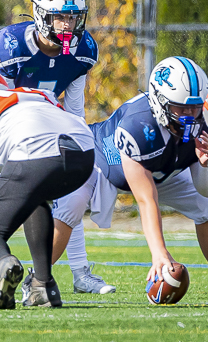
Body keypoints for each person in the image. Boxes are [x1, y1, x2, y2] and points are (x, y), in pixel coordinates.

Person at [0, 0, 112, 295]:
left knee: (76, 188)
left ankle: (81, 273)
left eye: (73, 18)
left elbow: (75, 110)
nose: (68, 25)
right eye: (60, 17)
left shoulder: (82, 51)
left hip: (51, 129)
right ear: (41, 16)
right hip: (5, 129)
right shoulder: (9, 47)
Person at [0, 68, 95, 309]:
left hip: (36, 153)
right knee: (36, 196)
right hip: (84, 154)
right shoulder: (34, 95)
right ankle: (43, 286)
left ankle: (5, 263)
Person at [50, 56, 208, 289]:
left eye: (195, 107)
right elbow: (146, 200)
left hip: (161, 171)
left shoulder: (202, 121)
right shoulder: (138, 126)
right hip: (101, 160)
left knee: (205, 207)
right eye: (181, 107)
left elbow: (203, 189)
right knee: (71, 205)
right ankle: (37, 277)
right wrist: (160, 254)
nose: (189, 115)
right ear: (159, 101)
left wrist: (205, 165)